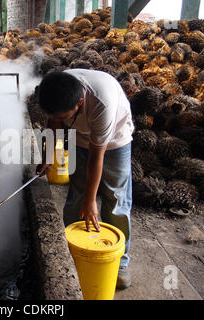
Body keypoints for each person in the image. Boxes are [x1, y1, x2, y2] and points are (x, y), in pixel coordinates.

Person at [36, 69, 134, 289]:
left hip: (114, 139)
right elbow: (54, 124)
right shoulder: (56, 91)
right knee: (77, 193)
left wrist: (91, 202)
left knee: (115, 198)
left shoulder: (102, 104)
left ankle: (120, 262)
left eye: (64, 116)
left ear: (80, 102)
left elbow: (96, 158)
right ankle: (69, 251)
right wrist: (47, 155)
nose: (58, 119)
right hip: (80, 135)